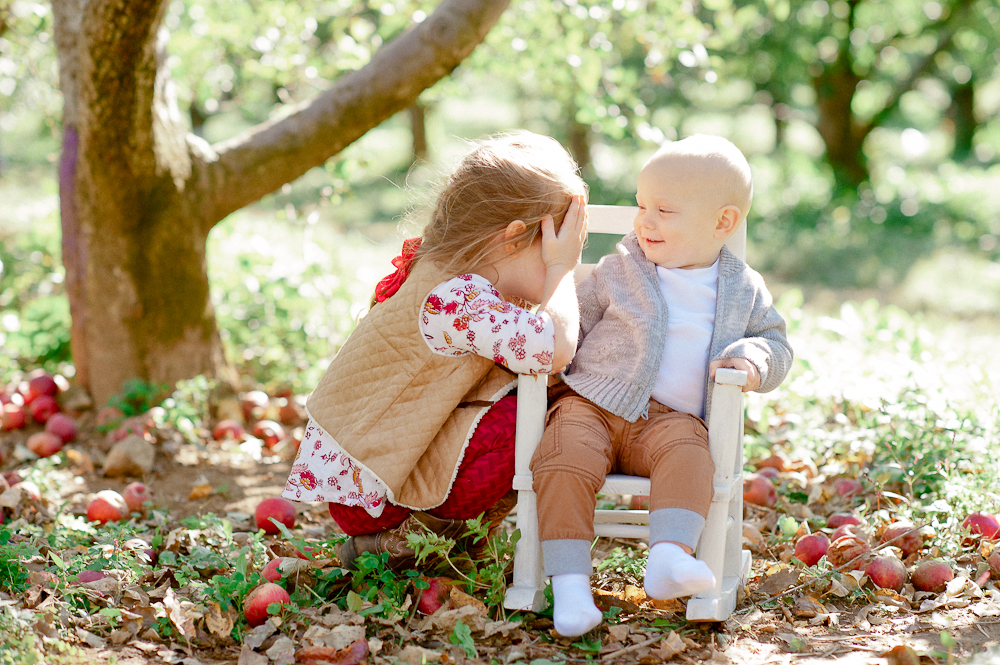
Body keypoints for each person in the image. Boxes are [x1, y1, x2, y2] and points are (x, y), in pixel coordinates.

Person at [282, 131, 589, 571]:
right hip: (373, 491)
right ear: (512, 238)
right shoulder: (457, 299)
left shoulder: (450, 273)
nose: (560, 261)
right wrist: (564, 268)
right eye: (553, 248)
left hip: (380, 468)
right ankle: (403, 544)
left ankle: (433, 538)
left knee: (526, 405)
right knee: (524, 420)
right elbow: (555, 349)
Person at [531, 134, 793, 636]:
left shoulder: (742, 288)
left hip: (672, 420)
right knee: (563, 459)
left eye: (664, 210)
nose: (644, 221)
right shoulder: (621, 268)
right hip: (591, 404)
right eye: (641, 205)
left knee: (694, 458)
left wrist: (752, 359)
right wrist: (551, 360)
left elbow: (775, 344)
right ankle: (569, 587)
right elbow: (575, 321)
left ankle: (669, 558)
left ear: (723, 222)